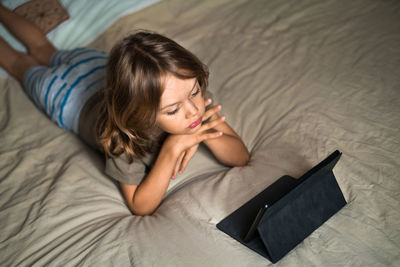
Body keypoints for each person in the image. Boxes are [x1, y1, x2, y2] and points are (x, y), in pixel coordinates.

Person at [0, 4, 250, 216]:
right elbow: (140, 205)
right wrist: (172, 149)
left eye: (195, 91)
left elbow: (240, 157)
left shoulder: (188, 102)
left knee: (44, 49)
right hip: (64, 96)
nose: (193, 111)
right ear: (139, 113)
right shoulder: (122, 140)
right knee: (18, 63)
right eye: (173, 110)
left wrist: (197, 134)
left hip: (93, 65)